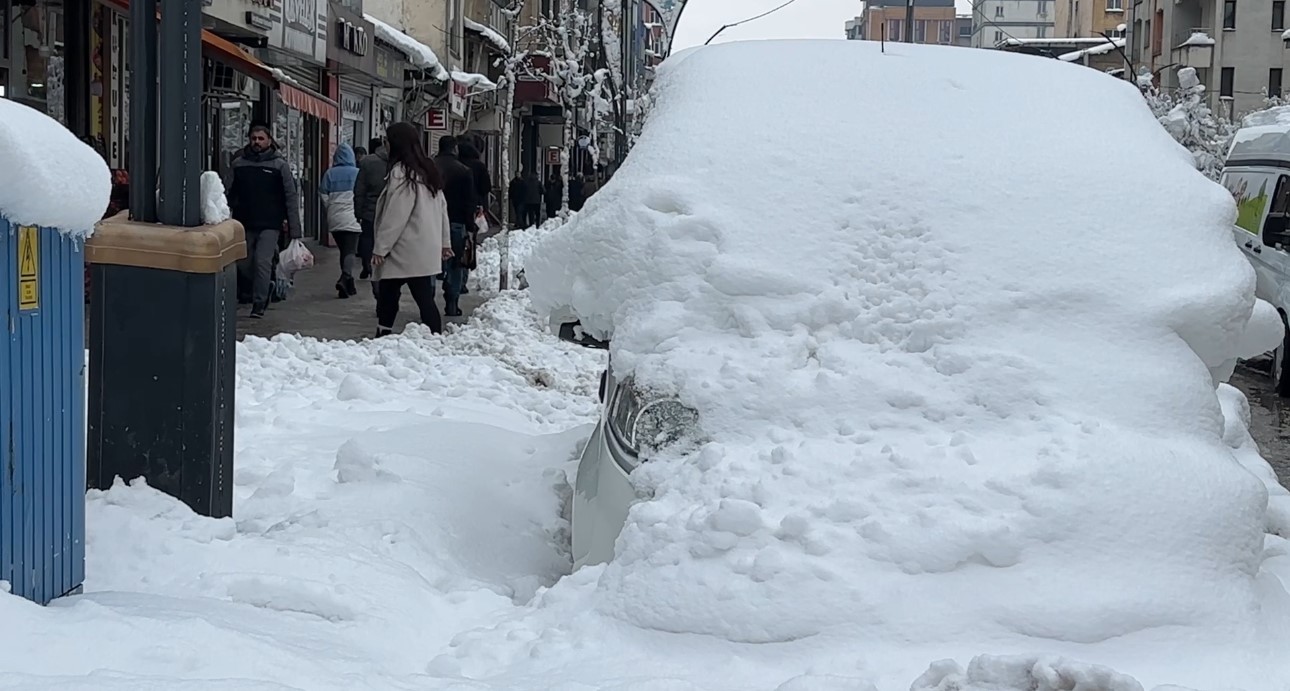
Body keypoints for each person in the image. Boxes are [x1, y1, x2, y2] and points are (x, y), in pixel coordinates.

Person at [372, 122, 452, 337]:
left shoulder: (402, 174)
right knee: (423, 296)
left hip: (403, 247)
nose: (385, 146)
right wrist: (445, 242)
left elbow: (396, 215)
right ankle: (435, 335)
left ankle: (384, 333)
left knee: (389, 294)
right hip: (424, 246)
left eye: (386, 141)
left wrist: (381, 247)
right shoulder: (428, 170)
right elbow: (442, 209)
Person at [226, 123, 302, 319]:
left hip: (270, 224)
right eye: (254, 139)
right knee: (244, 262)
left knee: (262, 261)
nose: (257, 142)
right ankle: (265, 285)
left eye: (261, 138)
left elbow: (290, 197)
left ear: (269, 140)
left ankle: (258, 303)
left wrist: (295, 229)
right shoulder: (239, 164)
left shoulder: (279, 165)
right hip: (243, 223)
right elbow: (228, 192)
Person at [433, 136, 476, 317]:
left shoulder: (430, 168)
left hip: (432, 223)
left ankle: (428, 300)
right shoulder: (464, 171)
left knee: (431, 262)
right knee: (456, 264)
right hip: (456, 223)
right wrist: (470, 226)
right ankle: (452, 301)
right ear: (455, 149)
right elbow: (469, 202)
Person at [319, 142, 362, 299]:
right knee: (350, 250)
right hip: (352, 216)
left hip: (334, 217)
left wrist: (331, 208)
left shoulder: (329, 174)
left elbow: (323, 195)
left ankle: (349, 285)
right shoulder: (358, 173)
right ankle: (345, 278)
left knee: (344, 250)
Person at [354, 136, 389, 283]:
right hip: (390, 210)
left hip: (370, 209)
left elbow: (359, 190)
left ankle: (367, 264)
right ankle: (383, 267)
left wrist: (358, 212)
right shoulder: (398, 162)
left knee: (367, 238)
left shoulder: (366, 162)